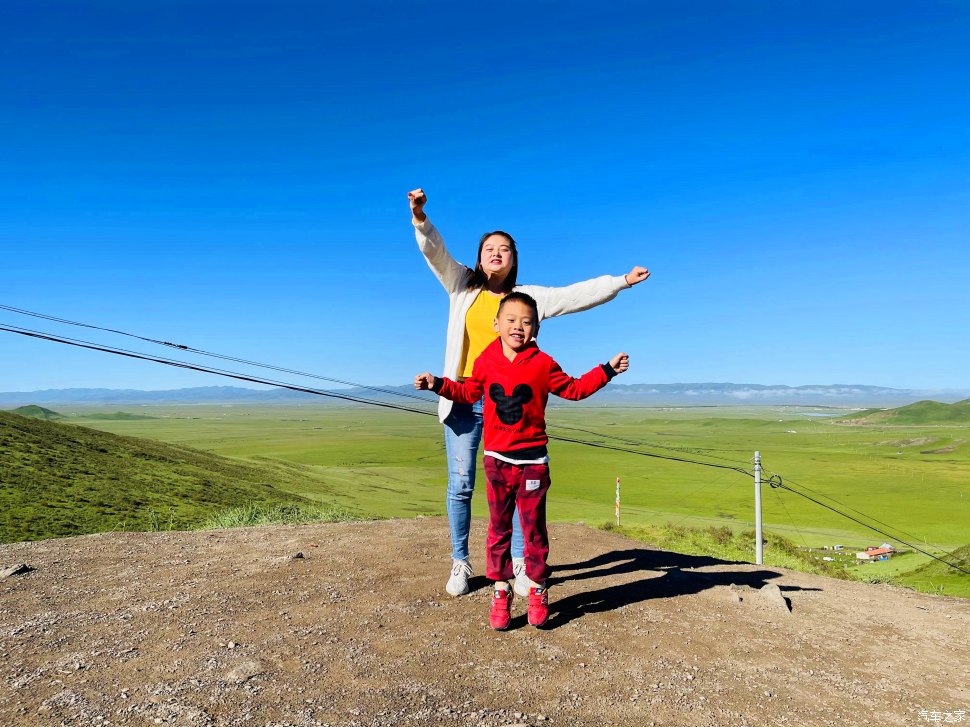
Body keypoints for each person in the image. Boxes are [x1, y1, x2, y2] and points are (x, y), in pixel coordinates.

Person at [408, 187, 649, 598]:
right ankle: (461, 561)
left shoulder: (529, 299)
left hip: (512, 406)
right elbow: (436, 252)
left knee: (519, 481)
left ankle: (520, 562)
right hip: (465, 396)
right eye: (489, 248)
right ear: (480, 256)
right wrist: (420, 218)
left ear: (514, 259)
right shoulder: (461, 286)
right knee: (461, 483)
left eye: (505, 248)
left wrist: (620, 282)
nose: (496, 253)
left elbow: (573, 295)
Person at [415, 291, 629, 629]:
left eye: (527, 322)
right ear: (496, 324)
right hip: (496, 461)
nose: (519, 327)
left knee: (533, 531)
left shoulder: (543, 364)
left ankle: (538, 587)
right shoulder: (485, 361)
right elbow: (468, 394)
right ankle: (501, 590)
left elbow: (574, 389)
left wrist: (606, 370)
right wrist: (438, 384)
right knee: (498, 530)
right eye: (511, 320)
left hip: (533, 463)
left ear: (536, 330)